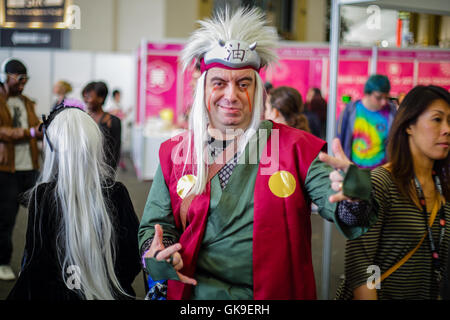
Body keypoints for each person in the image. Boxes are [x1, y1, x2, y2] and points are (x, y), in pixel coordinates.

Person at [138, 7, 378, 300]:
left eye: (243, 84)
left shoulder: (296, 148)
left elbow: (344, 211)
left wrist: (354, 195)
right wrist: (158, 253)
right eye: (219, 83)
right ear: (204, 90)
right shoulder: (174, 153)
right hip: (195, 297)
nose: (231, 95)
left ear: (258, 91)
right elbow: (155, 226)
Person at [7, 103, 141, 300]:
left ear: (53, 148)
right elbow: (132, 256)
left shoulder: (42, 196)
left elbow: (36, 262)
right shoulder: (117, 193)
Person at [336, 85, 449, 300]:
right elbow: (360, 268)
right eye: (437, 119)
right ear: (409, 126)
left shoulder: (444, 188)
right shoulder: (383, 182)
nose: (447, 129)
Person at [0, 58, 43, 281]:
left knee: (40, 215)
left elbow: (36, 127)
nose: (23, 84)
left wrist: (44, 128)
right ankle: (3, 261)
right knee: (6, 219)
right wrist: (31, 133)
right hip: (7, 170)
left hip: (30, 168)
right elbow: (3, 131)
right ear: (5, 76)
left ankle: (37, 260)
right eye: (19, 79)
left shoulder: (26, 101)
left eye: (26, 79)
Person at [337, 75, 397, 169]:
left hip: (382, 175)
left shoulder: (391, 113)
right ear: (367, 93)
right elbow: (340, 140)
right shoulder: (350, 111)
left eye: (386, 98)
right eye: (378, 97)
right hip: (353, 173)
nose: (383, 102)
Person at [82, 81, 122, 172]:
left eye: (89, 97)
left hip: (104, 172)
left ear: (101, 98)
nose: (85, 100)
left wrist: (109, 176)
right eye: (84, 97)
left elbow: (115, 152)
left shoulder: (113, 121)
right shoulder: (83, 119)